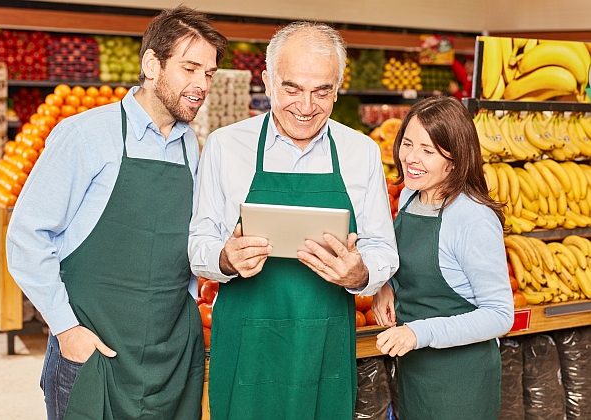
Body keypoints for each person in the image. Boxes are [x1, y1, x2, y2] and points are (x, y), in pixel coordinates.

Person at [6, 7, 226, 420]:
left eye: (209, 74)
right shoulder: (85, 135)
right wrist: (66, 329)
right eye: (190, 68)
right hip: (95, 354)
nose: (201, 85)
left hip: (171, 357)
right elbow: (26, 236)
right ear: (150, 64)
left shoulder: (191, 147)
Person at [188, 22, 399, 420]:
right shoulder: (226, 146)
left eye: (322, 91)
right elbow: (199, 241)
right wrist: (225, 259)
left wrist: (361, 274)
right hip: (246, 344)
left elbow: (382, 249)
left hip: (325, 343)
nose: (306, 106)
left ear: (338, 87)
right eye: (292, 89)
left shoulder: (361, 152)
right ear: (267, 82)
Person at [372, 96, 514, 420]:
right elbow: (409, 264)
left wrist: (418, 333)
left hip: (460, 381)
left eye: (428, 150)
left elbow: (500, 315)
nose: (411, 157)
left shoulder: (473, 218)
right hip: (414, 370)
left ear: (454, 158)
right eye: (407, 143)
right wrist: (387, 285)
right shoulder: (410, 195)